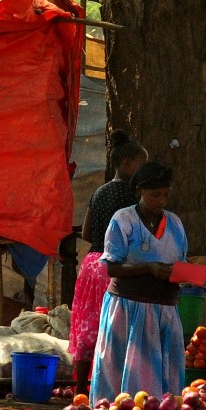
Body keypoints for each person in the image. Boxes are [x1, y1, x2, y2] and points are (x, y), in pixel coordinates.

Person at [90, 160, 187, 401]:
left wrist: (187, 275)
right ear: (140, 191)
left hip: (164, 309)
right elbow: (111, 267)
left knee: (163, 378)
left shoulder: (174, 224)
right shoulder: (123, 221)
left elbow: (181, 262)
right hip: (128, 309)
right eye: (155, 195)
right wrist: (149, 268)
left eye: (166, 195)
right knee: (122, 373)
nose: (162, 201)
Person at [72, 133, 148, 371]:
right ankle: (111, 383)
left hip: (91, 264)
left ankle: (82, 388)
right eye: (141, 165)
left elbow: (86, 234)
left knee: (88, 327)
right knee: (115, 329)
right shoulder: (132, 197)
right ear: (127, 164)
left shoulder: (99, 192)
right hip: (114, 266)